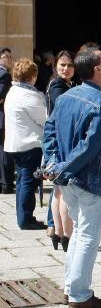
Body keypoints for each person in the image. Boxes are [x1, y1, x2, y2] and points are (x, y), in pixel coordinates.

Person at [43, 48, 101, 308]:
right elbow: (90, 146)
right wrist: (62, 166)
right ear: (97, 68)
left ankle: (70, 288)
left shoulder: (66, 97)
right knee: (87, 236)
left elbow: (49, 131)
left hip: (68, 179)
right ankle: (79, 294)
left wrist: (53, 164)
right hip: (89, 179)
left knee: (78, 233)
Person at [4, 58, 48, 230]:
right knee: (29, 182)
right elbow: (45, 119)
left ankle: (23, 216)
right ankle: (26, 219)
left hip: (17, 144)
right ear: (32, 76)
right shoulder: (29, 95)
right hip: (30, 144)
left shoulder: (13, 92)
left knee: (23, 181)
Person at [46, 50, 76, 250]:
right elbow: (64, 108)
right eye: (62, 65)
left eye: (69, 65)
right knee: (65, 192)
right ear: (55, 66)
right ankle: (67, 236)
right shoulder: (57, 86)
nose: (66, 69)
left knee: (58, 191)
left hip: (57, 143)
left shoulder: (64, 85)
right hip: (60, 144)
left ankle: (58, 233)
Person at [0, 47, 14, 194]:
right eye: (6, 57)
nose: (9, 59)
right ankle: (6, 183)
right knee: (4, 152)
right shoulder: (4, 75)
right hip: (2, 118)